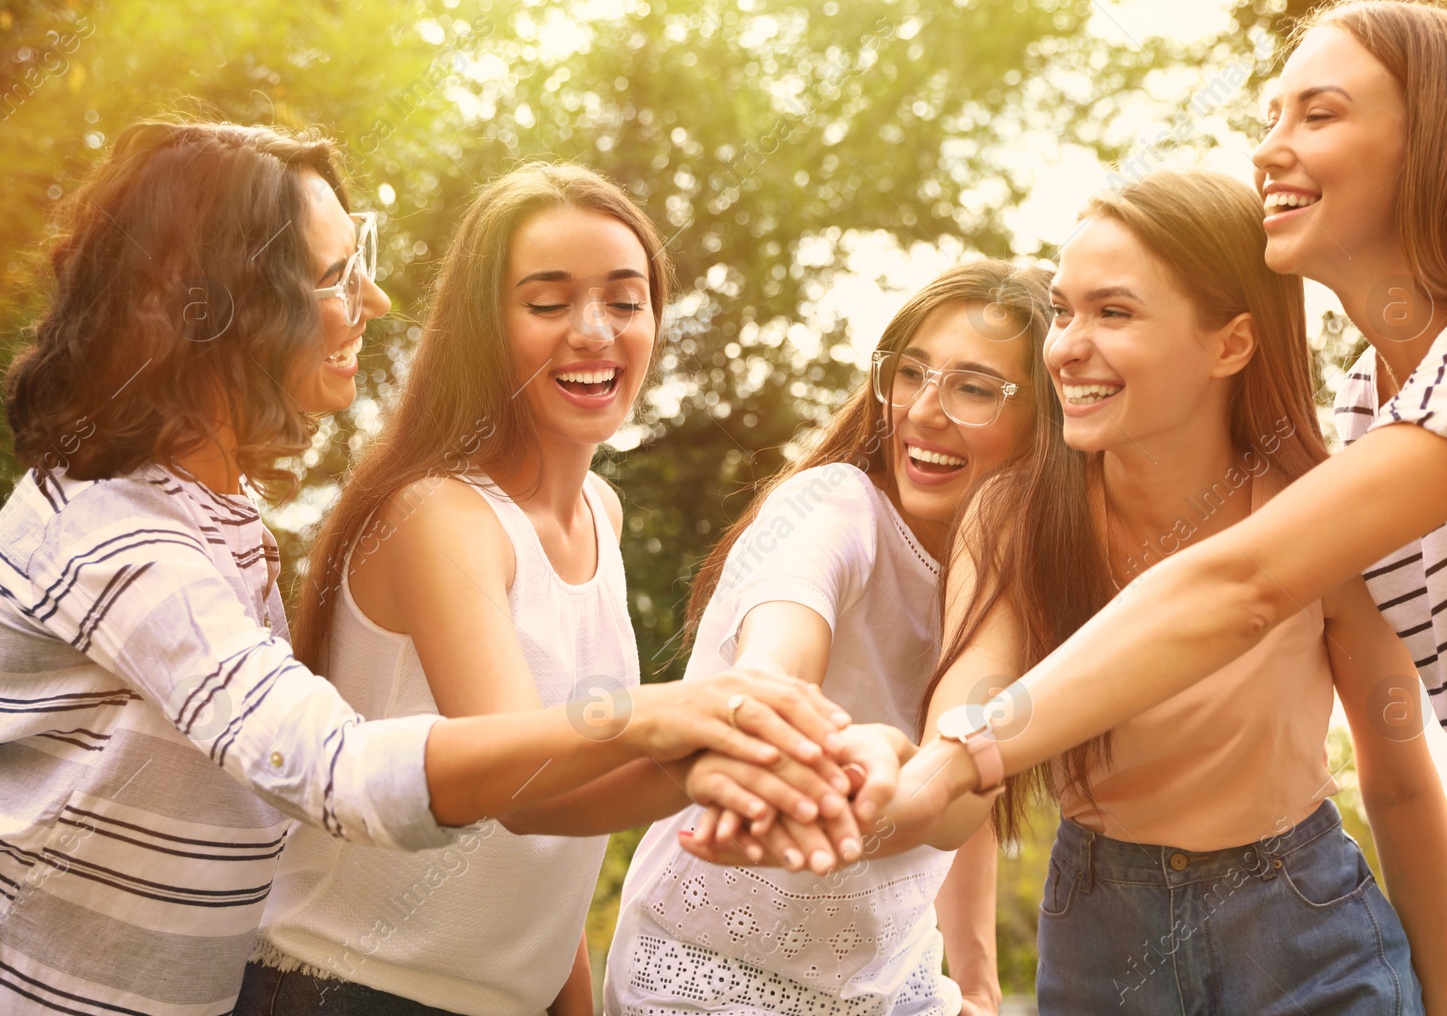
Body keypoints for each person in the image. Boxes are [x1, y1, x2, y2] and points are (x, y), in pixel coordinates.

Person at [0, 123, 859, 1014]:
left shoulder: (220, 519)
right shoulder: (124, 545)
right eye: (334, 275)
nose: (373, 298)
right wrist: (672, 717)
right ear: (214, 305)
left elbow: (525, 830)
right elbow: (337, 769)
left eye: (626, 298)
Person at [843, 0, 1447, 989]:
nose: (1268, 150)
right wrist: (914, 768)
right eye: (1271, 115)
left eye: (1317, 115)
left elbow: (1237, 583)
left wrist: (963, 752)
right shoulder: (1378, 405)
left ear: (1438, 138)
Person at [607, 260, 1054, 1016]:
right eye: (909, 373)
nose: (923, 411)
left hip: (891, 987)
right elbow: (776, 663)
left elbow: (966, 771)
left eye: (974, 388)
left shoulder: (1010, 586)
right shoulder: (832, 506)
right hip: (709, 974)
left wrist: (978, 984)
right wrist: (768, 715)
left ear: (1046, 421)